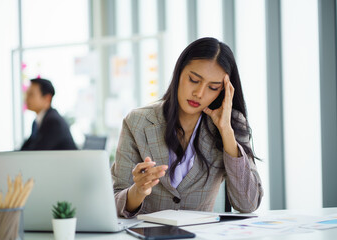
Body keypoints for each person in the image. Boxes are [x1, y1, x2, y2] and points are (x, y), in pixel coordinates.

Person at [111, 37, 263, 218]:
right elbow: (114, 203)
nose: (199, 93)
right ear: (179, 73)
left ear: (223, 91)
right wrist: (139, 190)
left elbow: (248, 204)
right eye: (193, 80)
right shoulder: (138, 121)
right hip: (145, 234)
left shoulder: (230, 125)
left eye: (213, 87)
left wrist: (226, 132)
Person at [20, 78, 77, 150]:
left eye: (31, 95)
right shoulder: (37, 122)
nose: (26, 99)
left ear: (47, 98)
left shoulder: (54, 122)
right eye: (27, 94)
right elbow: (26, 148)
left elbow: (37, 152)